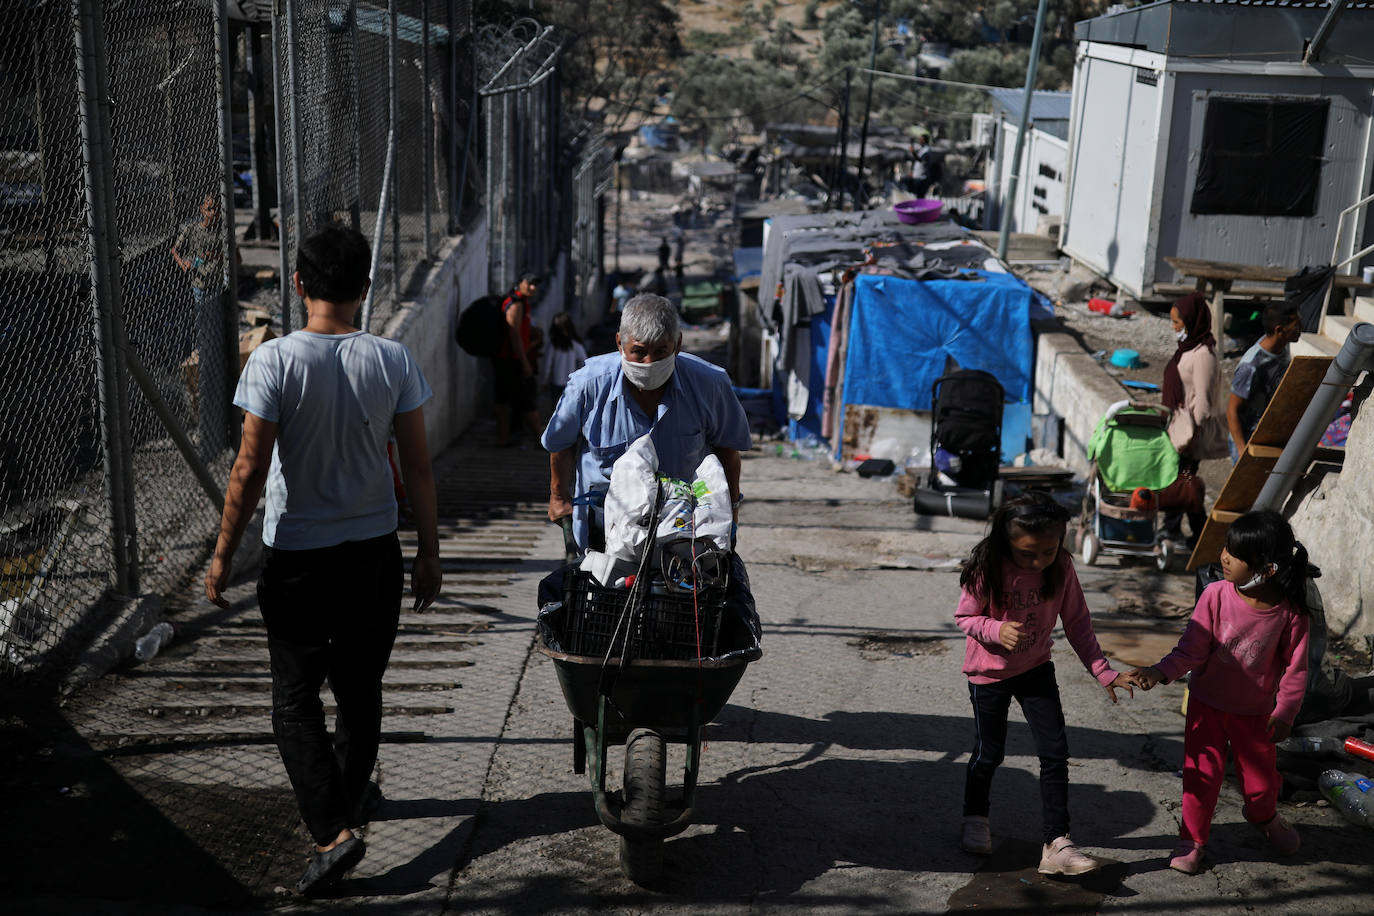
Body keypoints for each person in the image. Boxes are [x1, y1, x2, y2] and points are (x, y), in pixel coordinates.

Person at [204, 224, 441, 898]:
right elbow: (418, 467)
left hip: (299, 559)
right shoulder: (392, 360)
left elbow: (248, 470)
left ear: (298, 284)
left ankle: (333, 834)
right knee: (360, 688)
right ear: (365, 286)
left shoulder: (274, 361)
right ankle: (349, 800)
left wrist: (223, 556)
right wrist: (428, 551)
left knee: (295, 699)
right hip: (373, 554)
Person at [955, 492, 1141, 874]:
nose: (1038, 561)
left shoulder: (1062, 567)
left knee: (1055, 753)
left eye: (1048, 551)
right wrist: (995, 629)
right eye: (1027, 554)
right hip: (989, 675)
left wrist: (1103, 670)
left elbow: (1077, 622)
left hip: (1036, 668)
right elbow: (965, 617)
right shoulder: (988, 566)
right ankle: (975, 815)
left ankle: (1057, 843)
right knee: (989, 753)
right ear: (1006, 541)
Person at [1129, 510, 1312, 875]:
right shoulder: (1214, 595)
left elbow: (1297, 669)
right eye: (1226, 547)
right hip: (1206, 707)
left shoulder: (1291, 614)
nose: (1224, 557)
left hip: (1256, 715)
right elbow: (1191, 650)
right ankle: (1192, 840)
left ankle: (1264, 817)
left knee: (1261, 785)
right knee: (1201, 777)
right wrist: (1159, 672)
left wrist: (1285, 713)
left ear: (1267, 569)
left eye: (1236, 554)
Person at [543, 293, 751, 553]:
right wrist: (559, 497)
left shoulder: (710, 385)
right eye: (639, 352)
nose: (649, 363)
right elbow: (560, 443)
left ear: (678, 344)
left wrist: (732, 513)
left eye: (660, 352)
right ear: (620, 344)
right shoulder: (588, 385)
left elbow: (727, 451)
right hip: (603, 528)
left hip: (681, 527)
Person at [1160, 293, 1230, 547]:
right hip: (1176, 428)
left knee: (1180, 482)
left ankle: (1179, 532)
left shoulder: (1203, 356)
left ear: (1191, 321)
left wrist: (1193, 435)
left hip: (1188, 433)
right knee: (1181, 483)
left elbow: (1203, 402)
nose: (1173, 327)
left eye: (1177, 322)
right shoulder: (1187, 349)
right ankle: (1198, 537)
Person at [1227, 302, 1302, 460]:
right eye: (1296, 325)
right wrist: (1241, 450)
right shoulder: (1250, 366)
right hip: (1248, 439)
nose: (1300, 328)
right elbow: (1232, 410)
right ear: (1279, 330)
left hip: (1267, 434)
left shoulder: (1282, 346)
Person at [494, 272, 542, 447]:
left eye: (535, 284)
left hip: (508, 359)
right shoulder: (516, 304)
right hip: (511, 360)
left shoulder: (520, 301)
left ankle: (503, 439)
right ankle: (540, 439)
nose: (533, 288)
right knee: (526, 400)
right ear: (520, 283)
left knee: (505, 399)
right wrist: (524, 362)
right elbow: (514, 335)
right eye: (529, 283)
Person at [541, 312, 587, 403]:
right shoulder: (576, 344)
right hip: (572, 383)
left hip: (556, 383)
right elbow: (584, 362)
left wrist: (544, 381)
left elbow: (547, 365)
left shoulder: (553, 345)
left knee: (556, 408)